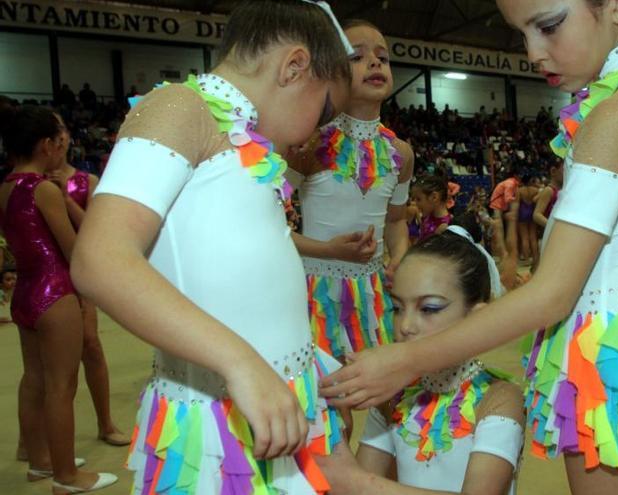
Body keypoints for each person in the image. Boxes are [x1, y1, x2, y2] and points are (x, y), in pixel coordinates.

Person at [322, 1, 618, 493]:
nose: (532, 52)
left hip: (608, 342)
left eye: (549, 25)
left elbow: (552, 294)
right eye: (522, 33)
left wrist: (407, 360)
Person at [70, 1, 355, 493]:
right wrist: (242, 364)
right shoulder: (181, 106)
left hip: (268, 397)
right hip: (218, 413)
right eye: (326, 109)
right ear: (294, 67)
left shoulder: (244, 137)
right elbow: (100, 260)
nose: (321, 129)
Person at [319, 231, 524, 494]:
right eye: (397, 308)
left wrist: (356, 482)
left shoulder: (499, 399)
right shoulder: (392, 396)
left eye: (429, 309)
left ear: (477, 320)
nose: (405, 326)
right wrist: (339, 433)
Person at [0, 106, 117, 493]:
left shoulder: (6, 187)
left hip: (25, 294)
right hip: (55, 292)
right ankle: (67, 475)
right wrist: (68, 204)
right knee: (61, 386)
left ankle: (40, 462)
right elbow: (74, 247)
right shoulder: (45, 189)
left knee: (33, 379)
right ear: (47, 145)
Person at [289, 19, 414, 360]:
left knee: (388, 390)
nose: (375, 63)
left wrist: (399, 256)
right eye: (357, 57)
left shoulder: (400, 153)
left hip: (374, 292)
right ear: (332, 71)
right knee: (332, 397)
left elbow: (395, 222)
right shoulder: (308, 143)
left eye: (383, 58)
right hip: (317, 293)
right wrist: (328, 251)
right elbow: (267, 226)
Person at [47, 159, 130, 447]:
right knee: (47, 364)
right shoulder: (34, 184)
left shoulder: (87, 181)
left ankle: (105, 423)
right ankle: (35, 441)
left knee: (91, 345)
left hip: (78, 266)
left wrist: (66, 199)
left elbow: (94, 227)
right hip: (48, 271)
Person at [489, 167, 521, 288]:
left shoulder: (511, 182)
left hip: (498, 204)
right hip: (497, 204)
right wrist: (515, 200)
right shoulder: (511, 183)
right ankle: (502, 253)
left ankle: (503, 254)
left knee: (500, 229)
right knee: (499, 229)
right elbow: (508, 197)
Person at [412, 175, 452, 241]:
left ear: (434, 197)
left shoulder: (445, 227)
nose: (415, 203)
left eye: (418, 199)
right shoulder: (427, 217)